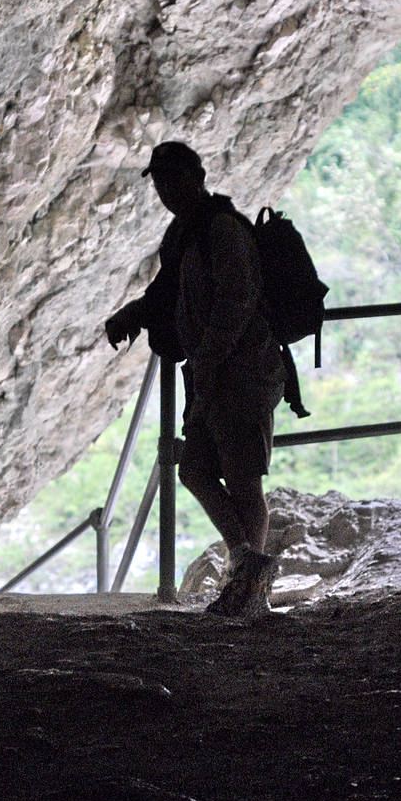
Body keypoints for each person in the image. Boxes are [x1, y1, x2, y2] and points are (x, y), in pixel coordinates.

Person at [105, 141, 286, 615]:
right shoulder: (186, 234)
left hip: (241, 375)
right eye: (160, 182)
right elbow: (166, 292)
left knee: (244, 481)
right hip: (213, 376)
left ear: (198, 177)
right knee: (196, 471)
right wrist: (134, 313)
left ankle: (250, 592)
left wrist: (207, 358)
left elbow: (238, 301)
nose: (167, 190)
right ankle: (248, 569)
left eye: (174, 179)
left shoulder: (222, 231)